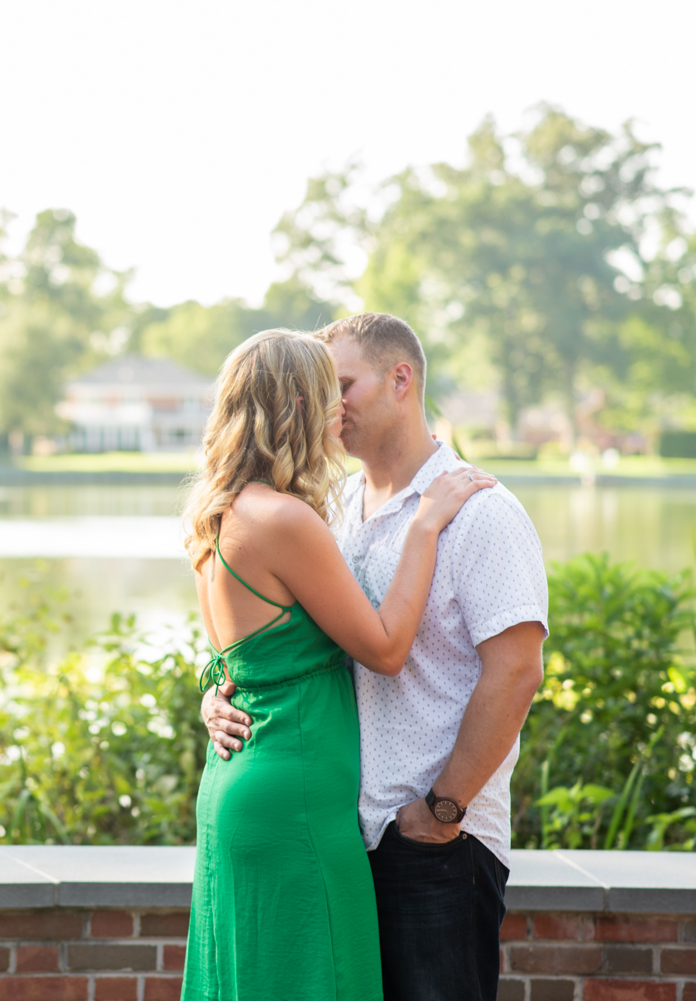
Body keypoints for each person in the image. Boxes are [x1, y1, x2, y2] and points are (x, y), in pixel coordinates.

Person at [201, 313, 548, 1001]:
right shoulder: (324, 509)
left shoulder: (482, 510)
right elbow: (260, 627)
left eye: (345, 384)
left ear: (401, 379)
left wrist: (440, 811)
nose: (332, 404)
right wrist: (218, 686)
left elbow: (517, 672)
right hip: (338, 831)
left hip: (429, 841)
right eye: (322, 387)